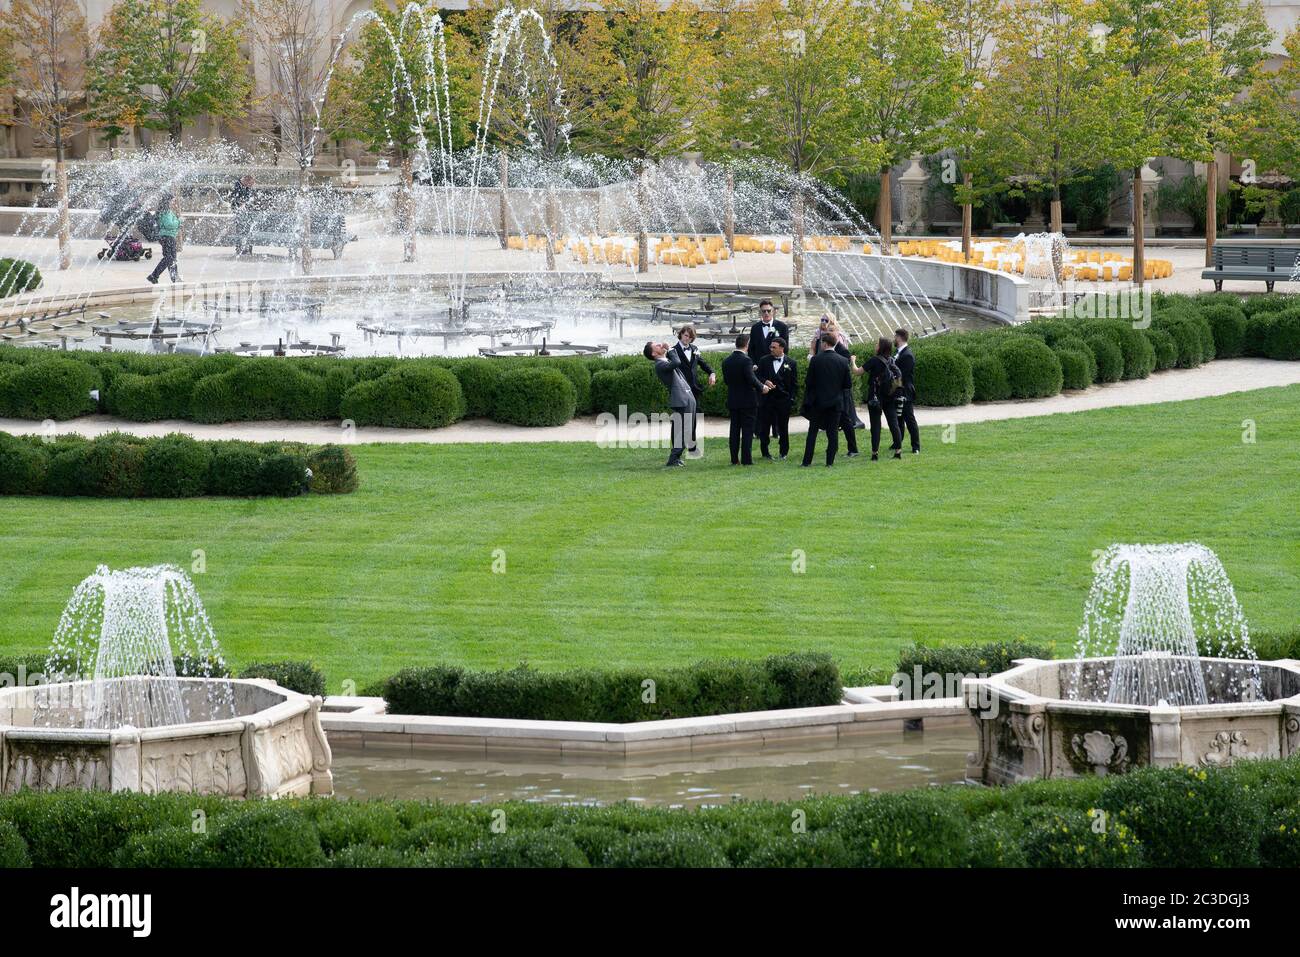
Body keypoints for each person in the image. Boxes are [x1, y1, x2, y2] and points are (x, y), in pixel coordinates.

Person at [801, 332, 852, 467]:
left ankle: (807, 461)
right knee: (833, 433)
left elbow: (809, 382)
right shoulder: (843, 361)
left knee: (812, 432)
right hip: (835, 403)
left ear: (824, 343)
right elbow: (848, 385)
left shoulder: (816, 360)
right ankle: (829, 462)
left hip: (818, 402)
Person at [721, 334, 771, 465]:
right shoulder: (746, 360)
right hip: (748, 401)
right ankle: (746, 459)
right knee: (747, 431)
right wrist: (762, 387)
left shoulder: (726, 361)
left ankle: (734, 459)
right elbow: (750, 379)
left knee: (734, 431)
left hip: (733, 399)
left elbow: (727, 381)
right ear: (747, 345)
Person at [645, 341, 696, 468]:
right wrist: (671, 350)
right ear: (653, 353)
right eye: (657, 345)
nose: (660, 345)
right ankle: (673, 459)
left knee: (680, 428)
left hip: (685, 396)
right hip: (682, 399)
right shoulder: (659, 365)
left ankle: (676, 458)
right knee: (684, 429)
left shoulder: (664, 361)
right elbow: (677, 362)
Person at [671, 324, 714, 459]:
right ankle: (675, 448)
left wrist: (712, 373)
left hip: (694, 389)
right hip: (679, 389)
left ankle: (691, 447)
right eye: (685, 336)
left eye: (690, 337)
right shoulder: (673, 350)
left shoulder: (694, 349)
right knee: (678, 419)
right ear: (681, 335)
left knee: (693, 418)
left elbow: (703, 363)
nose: (687, 339)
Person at [755, 336, 796, 459]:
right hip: (767, 400)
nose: (771, 349)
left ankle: (784, 452)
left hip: (783, 401)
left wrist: (791, 399)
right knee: (764, 427)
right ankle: (765, 452)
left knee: (783, 427)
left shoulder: (791, 363)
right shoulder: (764, 360)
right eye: (770, 347)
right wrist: (765, 381)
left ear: (782, 348)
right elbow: (757, 376)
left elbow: (794, 383)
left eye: (774, 347)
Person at [864, 337, 904, 460]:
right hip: (890, 396)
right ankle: (898, 451)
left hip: (875, 397)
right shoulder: (891, 360)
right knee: (893, 424)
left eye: (877, 344)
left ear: (881, 347)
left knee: (875, 425)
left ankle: (875, 454)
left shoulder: (874, 360)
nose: (875, 345)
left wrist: (853, 361)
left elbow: (857, 372)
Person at [894, 328, 920, 454]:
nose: (894, 339)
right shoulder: (899, 352)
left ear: (899, 337)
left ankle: (916, 446)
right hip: (898, 390)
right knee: (899, 418)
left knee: (909, 418)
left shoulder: (907, 355)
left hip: (905, 391)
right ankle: (898, 442)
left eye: (895, 336)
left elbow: (902, 375)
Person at [146, 195, 181, 284]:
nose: (174, 203)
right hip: (167, 236)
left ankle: (174, 278)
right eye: (172, 201)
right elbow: (169, 224)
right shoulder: (165, 212)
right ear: (168, 201)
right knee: (169, 257)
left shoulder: (165, 211)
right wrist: (179, 221)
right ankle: (154, 275)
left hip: (168, 236)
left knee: (171, 258)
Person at [747, 299, 789, 365]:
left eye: (768, 311)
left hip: (775, 364)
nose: (766, 313)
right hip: (759, 365)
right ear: (760, 312)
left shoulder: (782, 327)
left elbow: (785, 348)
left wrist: (781, 363)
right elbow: (751, 349)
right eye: (764, 311)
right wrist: (754, 364)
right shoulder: (755, 327)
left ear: (773, 311)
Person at [231, 174, 256, 255]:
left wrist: (247, 203)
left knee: (248, 229)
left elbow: (249, 197)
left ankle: (247, 248)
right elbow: (233, 197)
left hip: (246, 212)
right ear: (245, 180)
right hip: (237, 211)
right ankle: (239, 248)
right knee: (239, 229)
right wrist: (241, 203)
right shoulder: (236, 185)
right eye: (250, 184)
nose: (250, 186)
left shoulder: (247, 186)